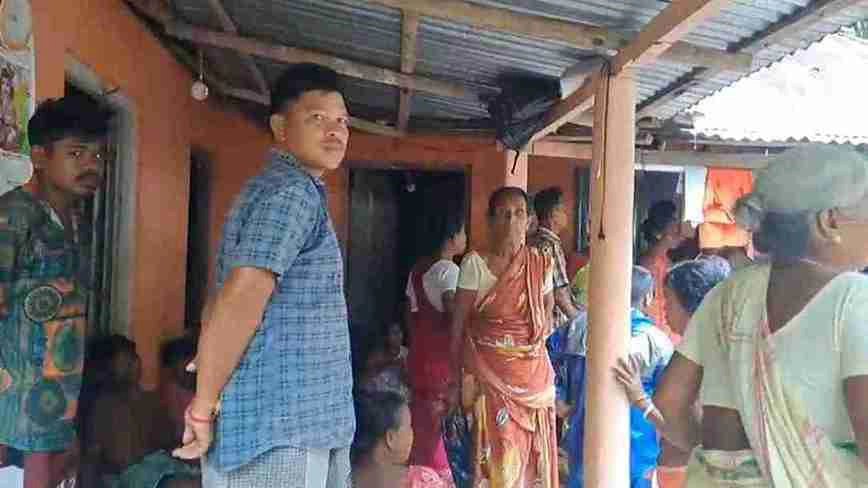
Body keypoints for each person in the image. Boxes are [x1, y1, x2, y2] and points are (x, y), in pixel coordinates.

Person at [626, 145, 868, 486]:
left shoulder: (726, 294)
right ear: (829, 221)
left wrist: (725, 462)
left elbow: (668, 401)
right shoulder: (855, 299)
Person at [174, 63, 354, 487]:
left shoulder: (284, 188)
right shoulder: (291, 194)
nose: (335, 131)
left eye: (342, 121)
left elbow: (220, 299)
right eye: (318, 118)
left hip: (293, 422)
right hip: (277, 427)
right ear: (280, 128)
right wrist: (203, 405)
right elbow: (241, 296)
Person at [0, 95, 111, 488]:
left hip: (60, 398)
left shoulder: (77, 223)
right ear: (40, 156)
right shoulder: (13, 216)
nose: (91, 165)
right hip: (14, 407)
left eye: (97, 155)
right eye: (76, 153)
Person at [450, 186, 558, 488]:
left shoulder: (541, 264)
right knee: (500, 462)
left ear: (530, 221)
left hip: (533, 378)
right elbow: (458, 326)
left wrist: (526, 347)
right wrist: (456, 381)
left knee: (534, 464)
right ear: (490, 220)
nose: (512, 221)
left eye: (519, 214)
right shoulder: (475, 264)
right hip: (489, 378)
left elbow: (545, 315)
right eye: (504, 214)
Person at [614, 257, 731, 488]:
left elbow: (696, 439)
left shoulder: (704, 359)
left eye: (669, 299)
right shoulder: (703, 351)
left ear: (690, 304)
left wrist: (641, 400)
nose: (664, 308)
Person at [569, 266, 673, 488]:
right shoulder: (656, 339)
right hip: (638, 436)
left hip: (584, 427)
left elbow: (553, 355)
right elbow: (668, 402)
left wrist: (565, 401)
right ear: (648, 297)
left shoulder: (579, 325)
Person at [81, 336, 199, 488]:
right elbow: (93, 455)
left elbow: (169, 441)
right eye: (124, 361)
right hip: (127, 476)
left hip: (160, 465)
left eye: (133, 358)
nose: (132, 364)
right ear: (108, 367)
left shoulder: (151, 400)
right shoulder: (104, 406)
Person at [404, 200, 466, 478]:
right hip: (442, 366)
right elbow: (456, 319)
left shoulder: (417, 270)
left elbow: (410, 315)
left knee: (422, 432)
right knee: (440, 440)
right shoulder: (448, 271)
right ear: (452, 237)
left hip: (418, 361)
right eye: (463, 231)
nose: (465, 237)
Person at [351, 391, 454, 488]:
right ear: (390, 438)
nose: (412, 433)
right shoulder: (422, 480)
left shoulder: (348, 476)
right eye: (409, 426)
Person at [639, 201, 685, 341]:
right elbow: (652, 307)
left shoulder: (665, 261)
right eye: (674, 221)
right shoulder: (650, 264)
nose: (678, 227)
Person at [358, 322, 409, 399]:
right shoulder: (377, 354)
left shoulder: (407, 354)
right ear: (386, 336)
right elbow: (364, 379)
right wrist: (389, 364)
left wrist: (403, 369)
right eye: (393, 332)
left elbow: (409, 381)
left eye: (399, 332)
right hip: (380, 397)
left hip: (398, 396)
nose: (398, 335)